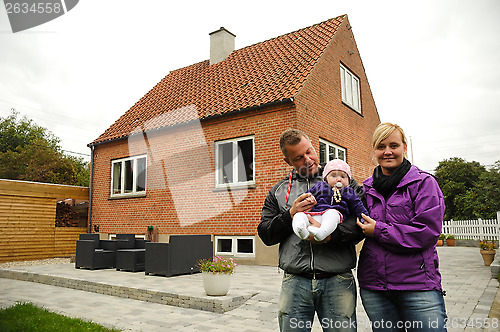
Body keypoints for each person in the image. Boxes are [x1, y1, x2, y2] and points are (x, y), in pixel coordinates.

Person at [258, 128, 364, 332]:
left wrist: (331, 236)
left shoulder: (341, 179)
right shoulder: (279, 191)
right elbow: (266, 234)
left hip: (338, 279)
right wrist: (291, 214)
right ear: (288, 161)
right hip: (295, 281)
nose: (308, 160)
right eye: (299, 157)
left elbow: (360, 224)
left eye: (310, 151)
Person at [356, 122, 447, 331]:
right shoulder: (365, 188)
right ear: (374, 151)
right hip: (375, 288)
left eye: (394, 145)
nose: (387, 151)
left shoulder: (424, 183)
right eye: (381, 146)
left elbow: (427, 232)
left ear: (404, 147)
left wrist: (377, 230)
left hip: (418, 287)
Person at [292, 159, 369, 242]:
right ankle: (301, 230)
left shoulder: (349, 192)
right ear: (326, 178)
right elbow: (307, 194)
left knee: (332, 213)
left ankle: (322, 233)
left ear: (348, 181)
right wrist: (309, 198)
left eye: (343, 176)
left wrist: (365, 218)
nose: (339, 179)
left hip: (334, 217)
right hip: (314, 214)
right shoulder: (319, 186)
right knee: (299, 215)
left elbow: (358, 206)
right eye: (334, 176)